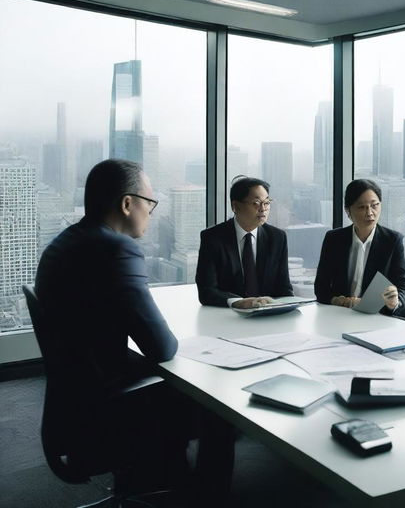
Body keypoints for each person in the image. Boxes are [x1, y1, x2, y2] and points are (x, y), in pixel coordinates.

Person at [35, 159, 234, 507]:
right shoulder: (117, 249)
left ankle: (155, 479)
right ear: (128, 204)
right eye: (149, 203)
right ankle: (202, 496)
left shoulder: (65, 242)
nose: (151, 212)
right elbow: (162, 347)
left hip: (74, 404)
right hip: (106, 409)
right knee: (214, 403)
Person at [314, 178, 405, 316]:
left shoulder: (392, 241)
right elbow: (320, 287)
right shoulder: (334, 239)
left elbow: (404, 288)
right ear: (348, 211)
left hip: (376, 317)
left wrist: (395, 301)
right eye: (362, 207)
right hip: (338, 315)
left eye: (374, 205)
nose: (370, 213)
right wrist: (339, 301)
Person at [196, 176, 293, 308]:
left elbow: (284, 288)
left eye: (267, 203)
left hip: (268, 315)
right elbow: (206, 291)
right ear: (235, 206)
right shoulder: (213, 238)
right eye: (256, 203)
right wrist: (238, 302)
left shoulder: (277, 238)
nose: (263, 209)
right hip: (228, 316)